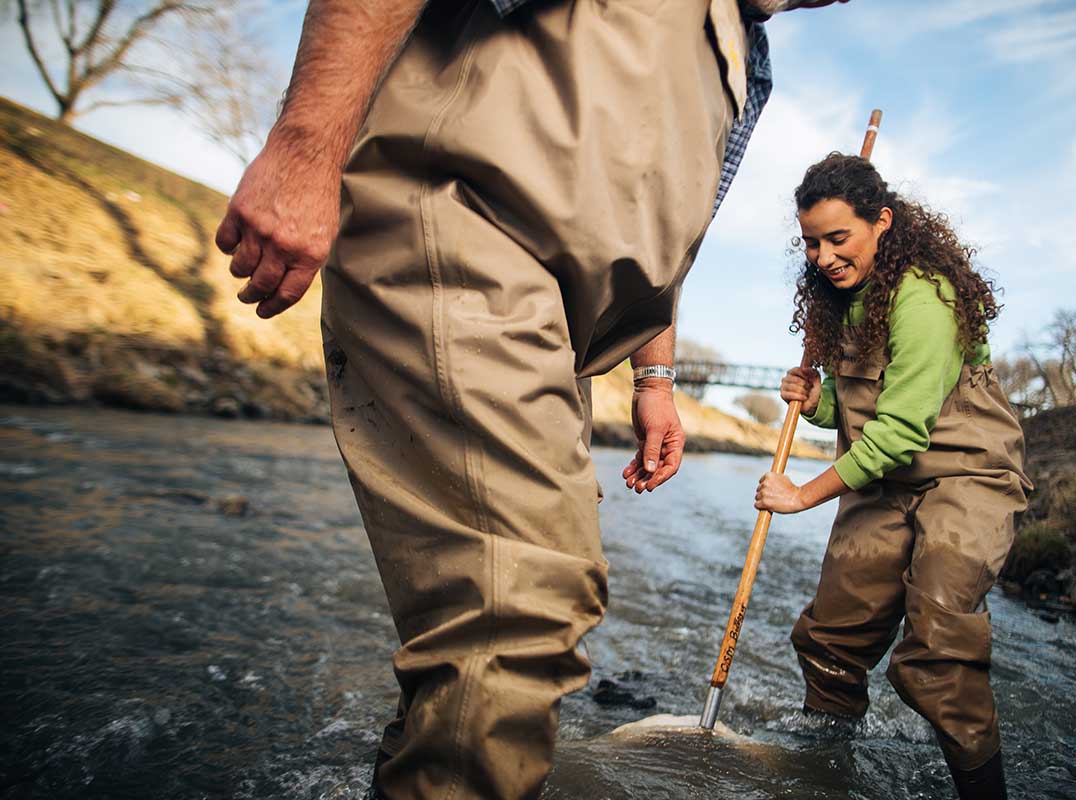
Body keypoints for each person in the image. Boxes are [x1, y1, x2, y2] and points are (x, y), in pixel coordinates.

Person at [215, 1, 849, 797]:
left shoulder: (746, 60)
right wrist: (305, 148)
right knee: (523, 603)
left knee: (480, 635)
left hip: (562, 330)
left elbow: (668, 236)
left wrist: (654, 379)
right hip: (460, 234)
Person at [753, 153, 1031, 800]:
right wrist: (816, 400)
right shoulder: (842, 301)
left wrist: (801, 495)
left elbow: (903, 431)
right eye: (811, 242)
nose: (822, 257)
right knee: (828, 642)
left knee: (936, 650)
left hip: (964, 477)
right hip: (885, 482)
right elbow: (866, 411)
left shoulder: (925, 295)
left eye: (838, 238)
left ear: (882, 221)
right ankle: (825, 776)